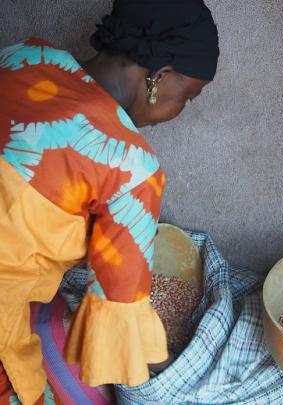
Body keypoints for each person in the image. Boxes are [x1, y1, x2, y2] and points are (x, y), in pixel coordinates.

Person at [0, 0, 219, 403]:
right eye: (186, 97)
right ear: (159, 77)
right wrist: (174, 368)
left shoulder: (24, 55)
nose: (180, 111)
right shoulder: (129, 164)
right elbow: (118, 313)